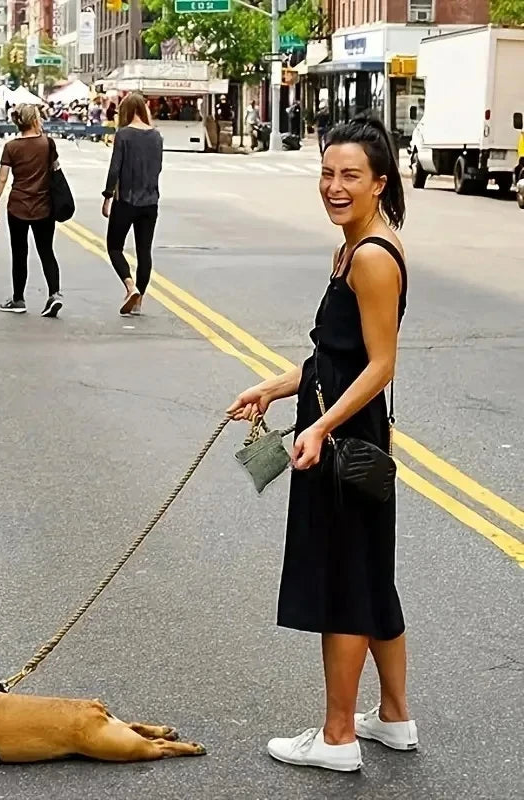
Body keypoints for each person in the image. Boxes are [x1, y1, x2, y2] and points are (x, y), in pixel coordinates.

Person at [227, 117, 412, 773]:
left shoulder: (371, 257)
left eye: (350, 176)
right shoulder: (351, 247)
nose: (335, 187)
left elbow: (380, 365)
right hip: (338, 430)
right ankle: (393, 717)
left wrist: (320, 426)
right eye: (328, 173)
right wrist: (274, 390)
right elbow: (335, 356)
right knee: (368, 575)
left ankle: (337, 737)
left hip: (343, 443)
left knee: (344, 584)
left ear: (379, 182)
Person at [0, 103, 62, 318]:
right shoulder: (47, 144)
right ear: (35, 119)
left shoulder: (11, 147)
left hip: (18, 205)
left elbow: (2, 178)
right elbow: (56, 170)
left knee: (20, 253)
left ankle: (18, 299)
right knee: (46, 251)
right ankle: (54, 294)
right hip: (44, 205)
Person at [101, 92, 162, 317]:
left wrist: (107, 196)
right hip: (150, 201)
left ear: (125, 111)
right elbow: (158, 168)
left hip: (126, 200)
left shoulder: (124, 135)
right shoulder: (157, 136)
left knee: (114, 247)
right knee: (144, 251)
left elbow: (115, 168)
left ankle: (129, 286)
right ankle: (139, 301)